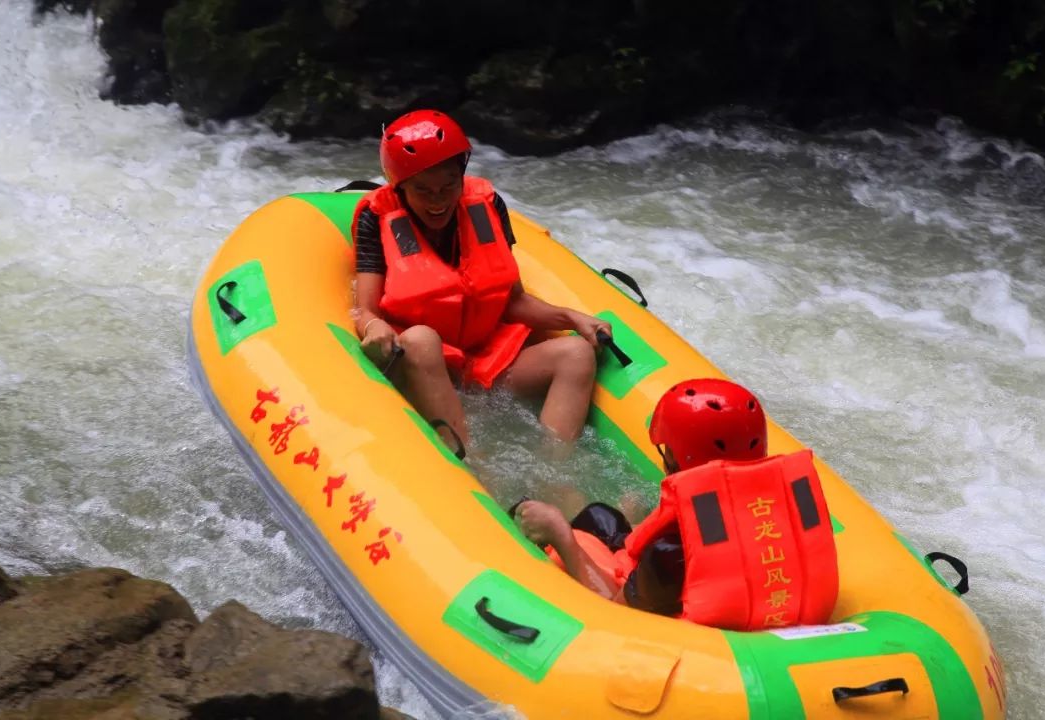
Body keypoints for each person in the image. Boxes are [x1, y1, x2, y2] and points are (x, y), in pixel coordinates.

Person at [351, 109, 611, 449]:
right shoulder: (377, 219)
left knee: (577, 352)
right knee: (421, 339)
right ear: (400, 189)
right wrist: (374, 328)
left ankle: (556, 474)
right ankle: (470, 466)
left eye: (448, 186)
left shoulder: (486, 206)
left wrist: (571, 317)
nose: (437, 200)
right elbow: (365, 310)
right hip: (420, 360)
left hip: (484, 360)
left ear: (462, 177)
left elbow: (513, 301)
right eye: (423, 190)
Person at [516, 378, 839, 631]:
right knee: (601, 516)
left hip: (658, 607)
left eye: (667, 451)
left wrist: (560, 533)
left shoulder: (670, 554)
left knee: (542, 516)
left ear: (680, 458)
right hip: (722, 598)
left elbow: (612, 613)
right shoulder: (783, 506)